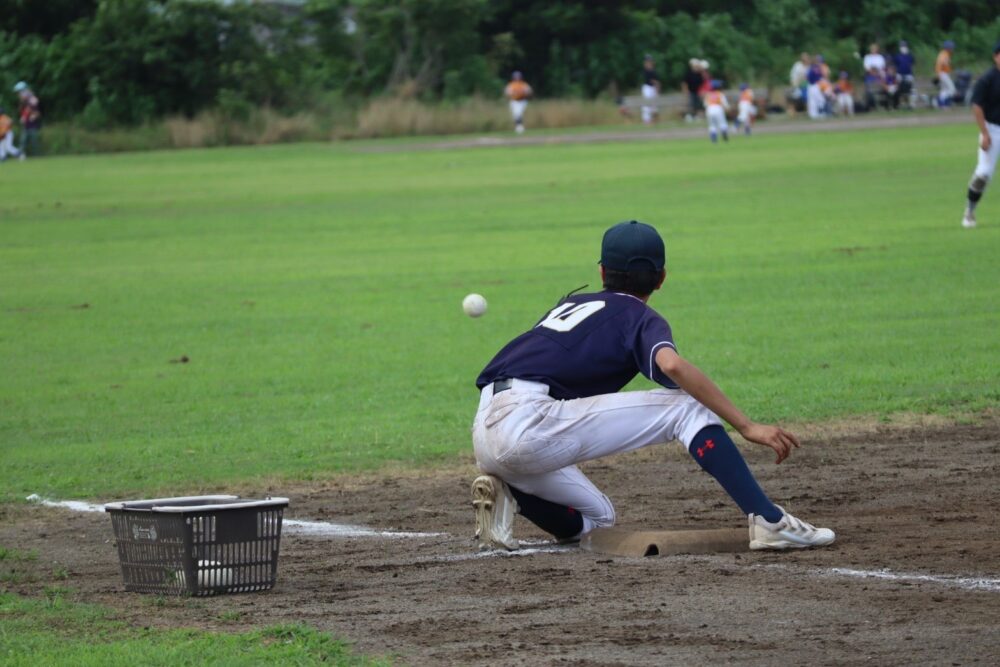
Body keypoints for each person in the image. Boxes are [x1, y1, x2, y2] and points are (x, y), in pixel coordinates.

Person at [470, 220, 836, 552]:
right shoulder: (639, 315)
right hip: (530, 421)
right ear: (661, 278)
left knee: (598, 521)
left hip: (487, 429)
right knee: (688, 406)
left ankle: (509, 489)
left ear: (601, 271)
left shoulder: (571, 304)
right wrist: (747, 426)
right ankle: (769, 521)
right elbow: (671, 365)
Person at [961, 41, 1000, 229]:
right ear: (995, 57)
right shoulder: (987, 79)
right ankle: (969, 212)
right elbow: (977, 106)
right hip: (992, 129)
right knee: (984, 174)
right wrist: (984, 133)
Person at [14, 81, 41, 157]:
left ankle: (37, 155)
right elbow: (22, 111)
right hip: (25, 125)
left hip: (33, 125)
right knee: (22, 141)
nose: (19, 94)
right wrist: (23, 116)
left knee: (34, 142)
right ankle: (21, 155)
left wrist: (33, 115)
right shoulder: (23, 102)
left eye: (20, 92)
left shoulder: (32, 99)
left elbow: (37, 113)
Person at [863, 43, 887, 110]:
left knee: (884, 84)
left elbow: (882, 67)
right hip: (870, 75)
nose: (873, 50)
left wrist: (877, 73)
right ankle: (870, 105)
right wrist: (873, 72)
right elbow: (866, 67)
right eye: (872, 49)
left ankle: (884, 104)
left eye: (875, 49)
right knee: (869, 89)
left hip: (879, 75)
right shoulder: (867, 57)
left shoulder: (880, 57)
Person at [895, 40, 916, 108]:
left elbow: (912, 65)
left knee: (911, 89)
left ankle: (911, 104)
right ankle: (902, 104)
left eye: (904, 46)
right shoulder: (898, 56)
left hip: (909, 75)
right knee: (900, 90)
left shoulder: (910, 55)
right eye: (902, 46)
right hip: (899, 75)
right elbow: (896, 66)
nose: (903, 47)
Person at [640, 55, 661, 125]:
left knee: (654, 104)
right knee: (646, 103)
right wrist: (656, 83)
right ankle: (646, 120)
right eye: (648, 61)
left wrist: (657, 86)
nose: (649, 62)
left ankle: (653, 120)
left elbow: (657, 80)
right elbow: (651, 80)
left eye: (650, 61)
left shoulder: (653, 70)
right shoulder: (646, 69)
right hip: (647, 87)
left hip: (653, 88)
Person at [937, 40, 956, 107]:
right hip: (943, 74)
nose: (952, 49)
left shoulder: (945, 54)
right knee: (952, 89)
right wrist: (940, 74)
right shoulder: (944, 54)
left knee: (944, 90)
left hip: (942, 73)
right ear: (948, 48)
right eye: (951, 47)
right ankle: (942, 102)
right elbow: (941, 63)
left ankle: (942, 104)